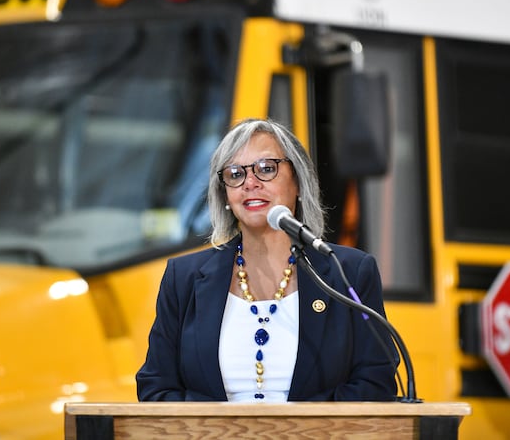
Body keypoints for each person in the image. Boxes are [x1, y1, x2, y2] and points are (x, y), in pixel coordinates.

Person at [136, 118, 397, 402]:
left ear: (297, 181)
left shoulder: (349, 272)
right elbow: (156, 387)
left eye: (266, 169)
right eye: (235, 174)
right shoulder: (183, 277)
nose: (250, 183)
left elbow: (375, 382)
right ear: (225, 194)